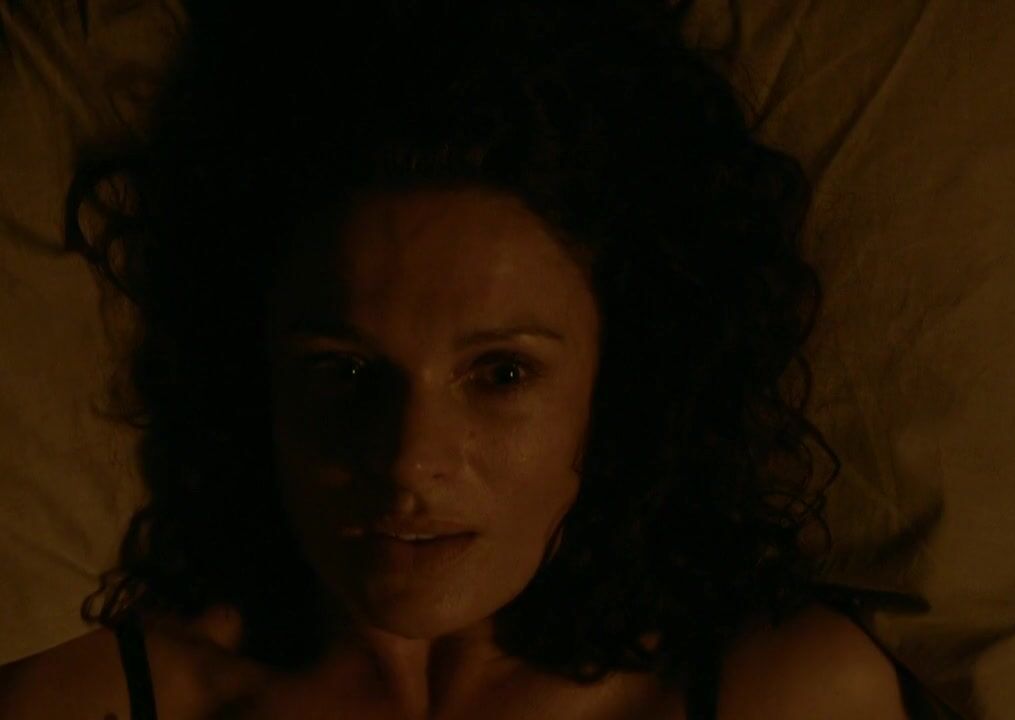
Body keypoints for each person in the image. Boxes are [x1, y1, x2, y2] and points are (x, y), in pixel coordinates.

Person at [0, 0, 912, 717]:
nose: (408, 461)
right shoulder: (94, 698)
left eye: (501, 374)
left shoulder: (780, 693)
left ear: (621, 380)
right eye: (344, 373)